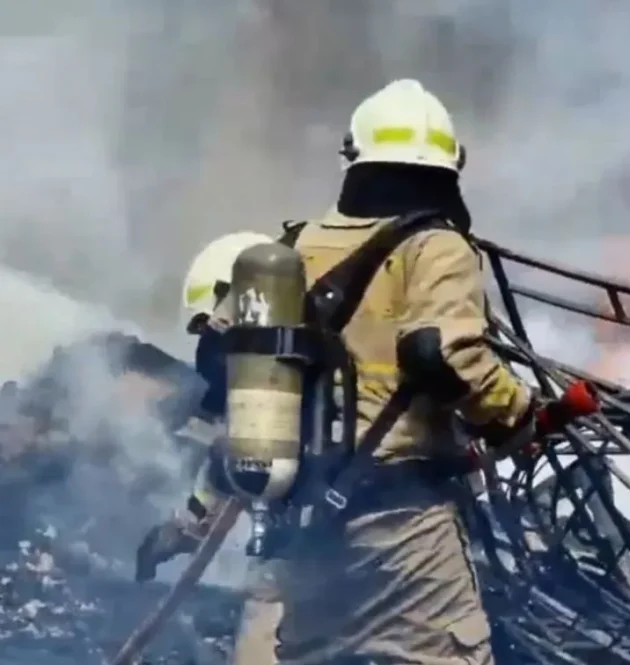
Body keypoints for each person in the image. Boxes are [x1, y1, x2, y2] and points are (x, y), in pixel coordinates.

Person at [271, 78, 537, 665]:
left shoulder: (292, 249)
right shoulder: (434, 245)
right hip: (400, 524)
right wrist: (518, 413)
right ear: (448, 168)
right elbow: (443, 354)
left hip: (306, 526)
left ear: (354, 161)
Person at [136, 230, 285, 665]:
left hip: (317, 548)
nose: (213, 345)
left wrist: (178, 532)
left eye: (214, 324)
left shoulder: (281, 371)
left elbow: (236, 459)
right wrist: (180, 531)